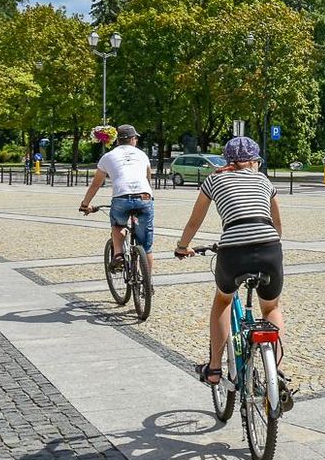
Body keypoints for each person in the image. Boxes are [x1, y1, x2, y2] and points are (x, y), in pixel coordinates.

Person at [174, 136, 293, 408]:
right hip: (269, 248)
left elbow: (196, 220)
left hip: (232, 251)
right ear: (254, 160)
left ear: (227, 160)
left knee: (223, 300)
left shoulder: (214, 180)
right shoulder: (264, 181)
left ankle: (215, 369)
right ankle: (277, 373)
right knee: (271, 307)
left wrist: (183, 247)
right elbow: (278, 225)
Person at [79, 124, 154, 274]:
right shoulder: (142, 155)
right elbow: (148, 179)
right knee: (146, 247)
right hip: (145, 196)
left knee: (118, 225)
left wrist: (85, 204)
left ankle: (118, 255)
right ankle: (147, 284)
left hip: (122, 197)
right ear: (133, 139)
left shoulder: (107, 157)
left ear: (117, 140)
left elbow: (95, 185)